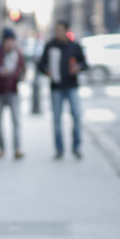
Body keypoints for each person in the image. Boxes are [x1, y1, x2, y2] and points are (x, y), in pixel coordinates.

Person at [37, 21, 88, 159]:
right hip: (56, 87)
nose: (57, 32)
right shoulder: (50, 45)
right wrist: (47, 71)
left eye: (60, 30)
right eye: (56, 30)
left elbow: (84, 64)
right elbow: (41, 64)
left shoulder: (74, 46)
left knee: (77, 115)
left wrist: (78, 67)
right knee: (57, 119)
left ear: (66, 30)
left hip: (71, 86)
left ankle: (76, 146)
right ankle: (59, 149)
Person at [0, 28, 26, 159]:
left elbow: (22, 68)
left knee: (16, 120)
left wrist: (18, 75)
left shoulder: (18, 54)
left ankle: (17, 148)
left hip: (13, 91)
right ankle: (1, 147)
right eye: (8, 40)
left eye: (12, 41)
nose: (10, 43)